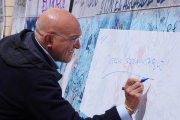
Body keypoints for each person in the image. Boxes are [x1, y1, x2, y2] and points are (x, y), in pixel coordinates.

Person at [0, 8, 144, 120]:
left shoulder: (12, 42)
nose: (78, 45)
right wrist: (127, 108)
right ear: (49, 40)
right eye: (73, 39)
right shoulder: (37, 80)